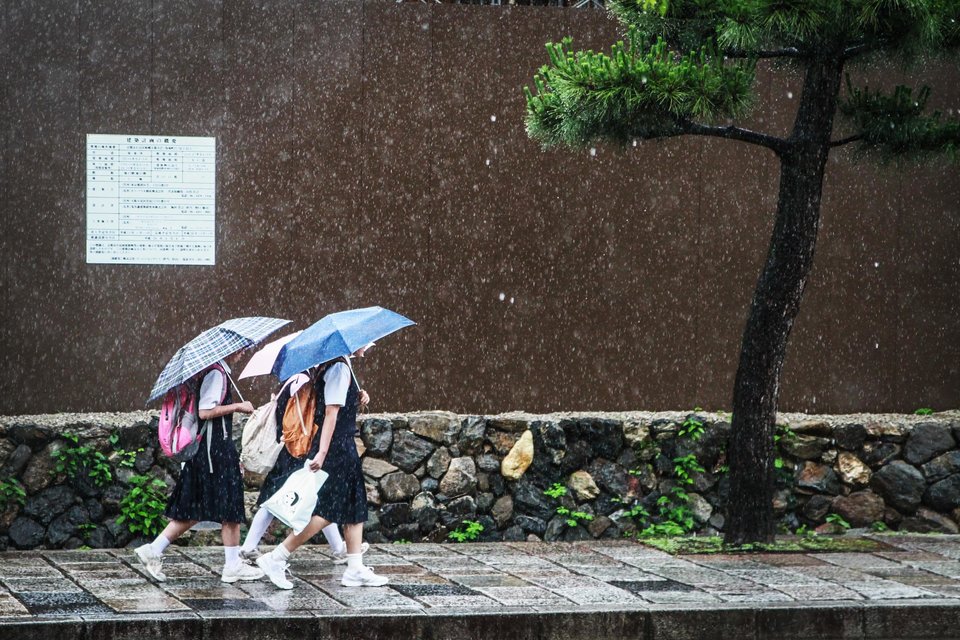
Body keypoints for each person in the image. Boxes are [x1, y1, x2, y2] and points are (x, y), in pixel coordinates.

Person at [255, 345, 385, 589]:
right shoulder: (338, 367)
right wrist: (323, 453)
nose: (368, 347)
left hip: (342, 445)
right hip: (337, 448)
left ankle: (355, 568)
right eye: (366, 343)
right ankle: (277, 557)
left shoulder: (336, 366)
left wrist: (356, 395)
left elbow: (336, 404)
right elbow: (331, 413)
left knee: (354, 505)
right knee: (327, 512)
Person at [135, 349, 265, 584]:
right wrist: (238, 407)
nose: (243, 352)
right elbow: (205, 412)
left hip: (207, 451)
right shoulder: (216, 374)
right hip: (213, 453)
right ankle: (233, 565)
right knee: (230, 508)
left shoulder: (215, 372)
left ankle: (153, 550)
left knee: (195, 508)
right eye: (240, 349)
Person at [238, 372, 369, 564]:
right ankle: (250, 548)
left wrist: (351, 397)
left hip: (295, 447)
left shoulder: (296, 379)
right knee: (276, 498)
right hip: (298, 449)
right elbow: (314, 414)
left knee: (313, 500)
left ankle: (338, 547)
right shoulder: (305, 381)